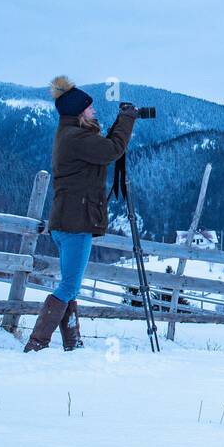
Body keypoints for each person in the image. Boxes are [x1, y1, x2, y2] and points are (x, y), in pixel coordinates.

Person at [24, 76, 137, 352]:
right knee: (69, 285)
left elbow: (103, 150)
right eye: (89, 108)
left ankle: (73, 343)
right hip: (76, 223)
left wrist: (117, 126)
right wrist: (127, 120)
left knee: (70, 286)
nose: (94, 111)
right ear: (79, 112)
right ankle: (36, 344)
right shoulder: (76, 137)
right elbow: (112, 150)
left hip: (67, 221)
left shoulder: (71, 135)